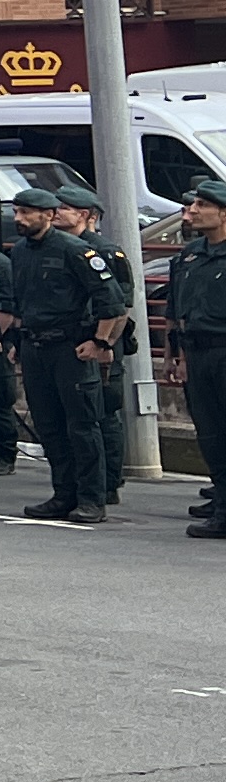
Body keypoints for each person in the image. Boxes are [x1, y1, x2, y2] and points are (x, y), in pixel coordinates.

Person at [7, 186, 126, 524]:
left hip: (69, 349)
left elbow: (112, 301)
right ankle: (63, 494)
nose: (20, 219)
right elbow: (21, 301)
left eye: (27, 213)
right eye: (17, 212)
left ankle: (92, 498)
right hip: (35, 347)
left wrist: (100, 343)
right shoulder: (20, 252)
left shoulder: (77, 251)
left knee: (82, 425)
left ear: (49, 215)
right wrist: (19, 339)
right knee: (49, 424)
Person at [168, 181, 226, 539]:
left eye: (201, 205)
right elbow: (176, 311)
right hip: (198, 353)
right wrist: (174, 355)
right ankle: (222, 510)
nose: (190, 211)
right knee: (211, 434)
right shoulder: (190, 255)